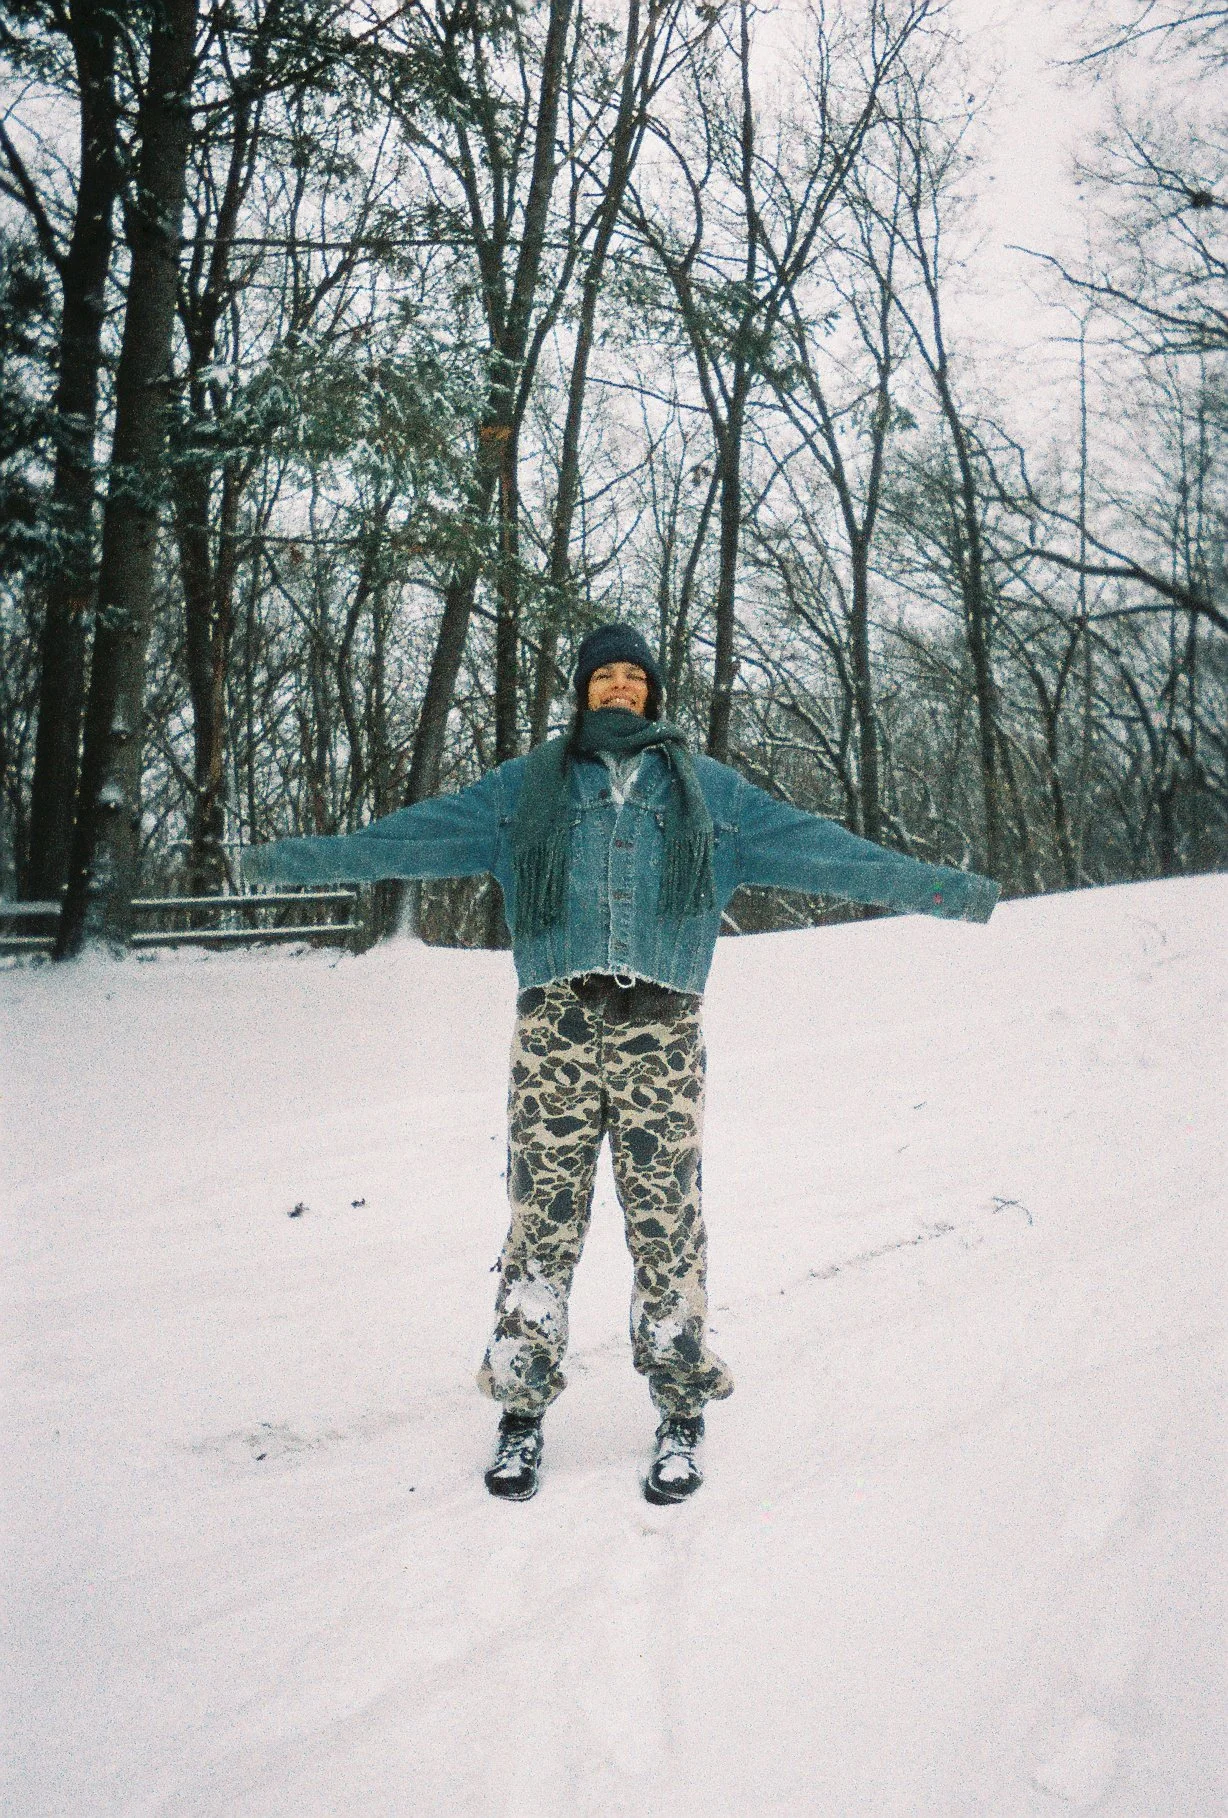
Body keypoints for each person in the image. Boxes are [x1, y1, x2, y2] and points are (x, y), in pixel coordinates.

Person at [246, 624, 999, 1504]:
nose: (616, 687)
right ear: (581, 690)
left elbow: (829, 851)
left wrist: (956, 894)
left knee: (666, 1226)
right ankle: (521, 1414)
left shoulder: (709, 795)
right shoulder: (526, 788)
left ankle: (681, 1412)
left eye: (631, 677)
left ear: (652, 693)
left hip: (662, 1034)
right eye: (601, 674)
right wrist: (280, 862)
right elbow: (405, 840)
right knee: (540, 1227)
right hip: (556, 1036)